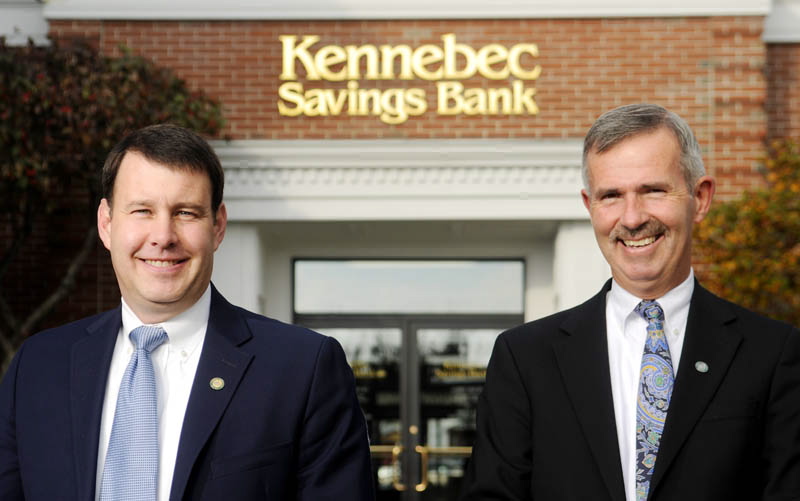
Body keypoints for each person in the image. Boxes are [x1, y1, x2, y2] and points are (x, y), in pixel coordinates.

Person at [0, 124, 375, 500]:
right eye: (142, 210)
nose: (163, 236)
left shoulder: (303, 369)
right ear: (106, 223)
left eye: (186, 213)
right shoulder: (37, 368)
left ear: (218, 226)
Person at [460, 103, 800, 500]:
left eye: (653, 190)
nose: (633, 217)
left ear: (700, 197)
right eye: (611, 196)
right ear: (590, 207)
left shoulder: (772, 355)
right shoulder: (524, 358)